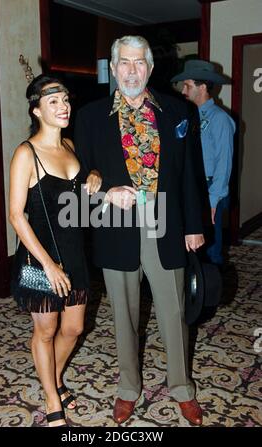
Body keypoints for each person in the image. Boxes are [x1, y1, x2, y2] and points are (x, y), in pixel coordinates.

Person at [75, 36, 205, 425]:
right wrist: (104, 191)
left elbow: (190, 175)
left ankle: (181, 387)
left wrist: (194, 226)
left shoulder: (178, 111)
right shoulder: (90, 116)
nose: (132, 70)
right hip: (115, 226)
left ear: (149, 68)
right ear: (113, 69)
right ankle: (128, 388)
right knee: (124, 315)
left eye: (139, 63)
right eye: (124, 63)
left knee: (174, 312)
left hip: (166, 224)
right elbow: (80, 174)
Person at [9, 74, 101, 427]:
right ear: (36, 110)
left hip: (73, 253)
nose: (63, 106)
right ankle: (51, 396)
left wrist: (93, 174)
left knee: (74, 328)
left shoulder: (71, 147)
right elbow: (17, 216)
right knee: (45, 331)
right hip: (40, 259)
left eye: (65, 100)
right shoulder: (26, 153)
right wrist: (49, 265)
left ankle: (54, 376)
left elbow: (78, 204)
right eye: (54, 101)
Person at [171, 60, 235, 266]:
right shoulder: (186, 116)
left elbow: (224, 163)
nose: (183, 91)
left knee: (209, 248)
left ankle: (210, 292)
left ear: (203, 87)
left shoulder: (220, 119)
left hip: (209, 189)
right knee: (187, 244)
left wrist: (214, 199)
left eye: (188, 85)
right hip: (189, 185)